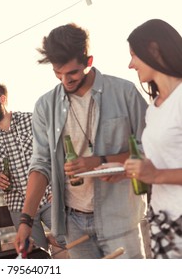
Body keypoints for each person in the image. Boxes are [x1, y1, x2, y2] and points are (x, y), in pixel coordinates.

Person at [14, 23, 149, 259]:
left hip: (121, 217)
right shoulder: (45, 106)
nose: (65, 80)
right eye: (58, 72)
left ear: (88, 62)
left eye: (72, 73)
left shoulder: (125, 93)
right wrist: (26, 221)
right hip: (73, 222)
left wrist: (101, 161)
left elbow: (150, 149)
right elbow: (40, 165)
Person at [124, 19, 182, 258]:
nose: (130, 64)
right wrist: (120, 168)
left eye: (134, 55)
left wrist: (156, 175)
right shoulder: (153, 108)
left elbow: (159, 171)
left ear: (154, 50)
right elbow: (162, 159)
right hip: (162, 221)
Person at [0, 81, 56, 251]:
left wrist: (58, 188)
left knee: (69, 240)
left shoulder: (31, 119)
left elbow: (55, 153)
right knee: (35, 255)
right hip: (18, 204)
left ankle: (50, 240)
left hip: (49, 196)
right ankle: (42, 241)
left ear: (2, 99)